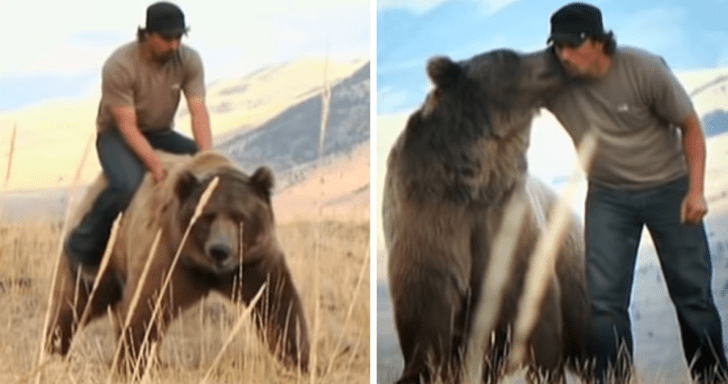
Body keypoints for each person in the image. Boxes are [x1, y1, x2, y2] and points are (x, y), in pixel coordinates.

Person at [543, 3, 728, 383]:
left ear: (597, 42)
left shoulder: (643, 69)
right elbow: (506, 83)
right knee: (605, 304)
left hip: (669, 191)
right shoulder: (556, 82)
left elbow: (691, 127)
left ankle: (712, 378)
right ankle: (615, 379)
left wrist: (695, 192)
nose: (564, 55)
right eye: (557, 47)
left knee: (693, 296)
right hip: (609, 198)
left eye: (571, 46)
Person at [66, 1, 212, 267]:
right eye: (167, 38)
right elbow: (127, 125)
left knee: (209, 172)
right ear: (147, 34)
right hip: (116, 135)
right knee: (127, 186)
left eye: (179, 37)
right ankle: (82, 246)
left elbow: (198, 113)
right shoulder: (119, 65)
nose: (174, 45)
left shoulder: (189, 60)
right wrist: (155, 166)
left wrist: (208, 159)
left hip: (160, 132)